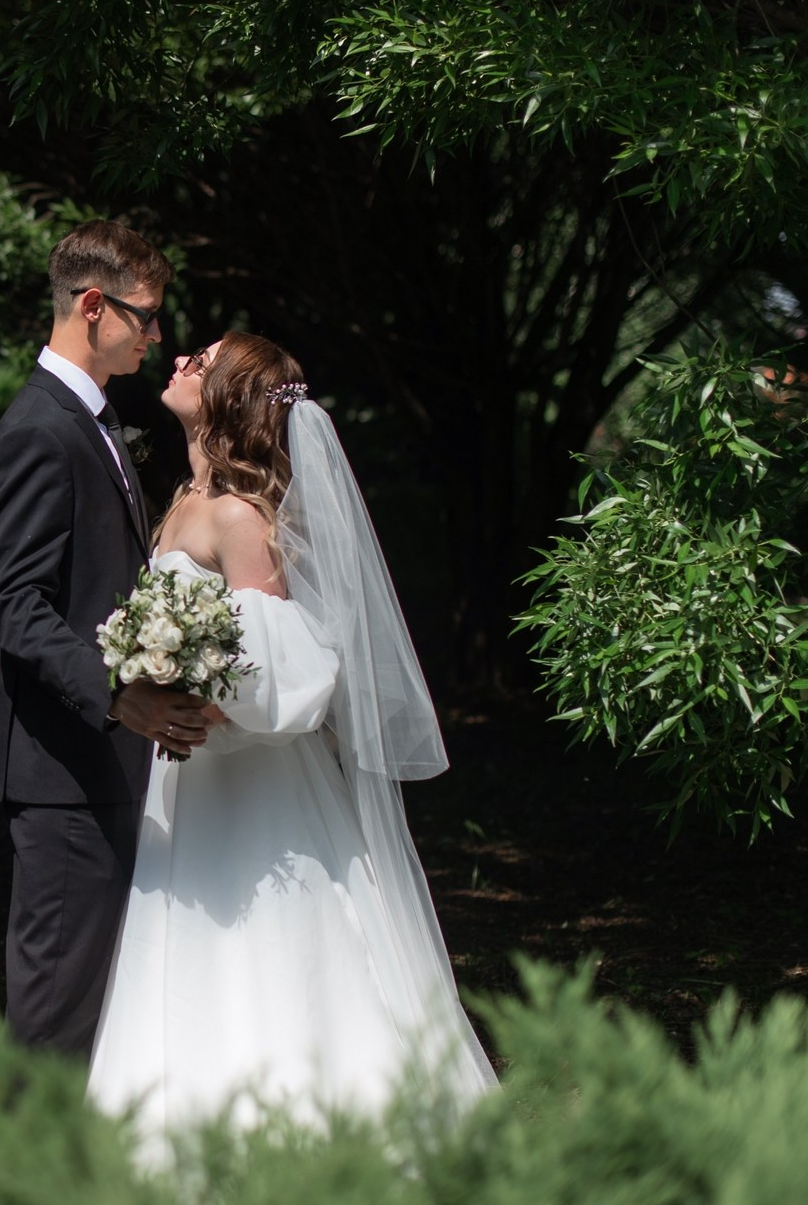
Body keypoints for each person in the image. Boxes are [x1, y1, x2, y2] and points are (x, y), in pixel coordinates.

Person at [86, 332, 499, 1149]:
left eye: (203, 362)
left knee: (266, 947)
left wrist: (201, 695)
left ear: (228, 398)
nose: (181, 361)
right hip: (191, 780)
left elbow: (287, 664)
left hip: (253, 785)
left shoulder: (239, 516)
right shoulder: (185, 498)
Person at [0, 221, 216, 1057]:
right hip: (64, 771)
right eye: (144, 315)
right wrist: (121, 695)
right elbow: (16, 606)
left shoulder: (93, 419)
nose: (156, 334)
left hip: (97, 765)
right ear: (92, 306)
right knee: (57, 1014)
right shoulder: (38, 430)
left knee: (93, 1008)